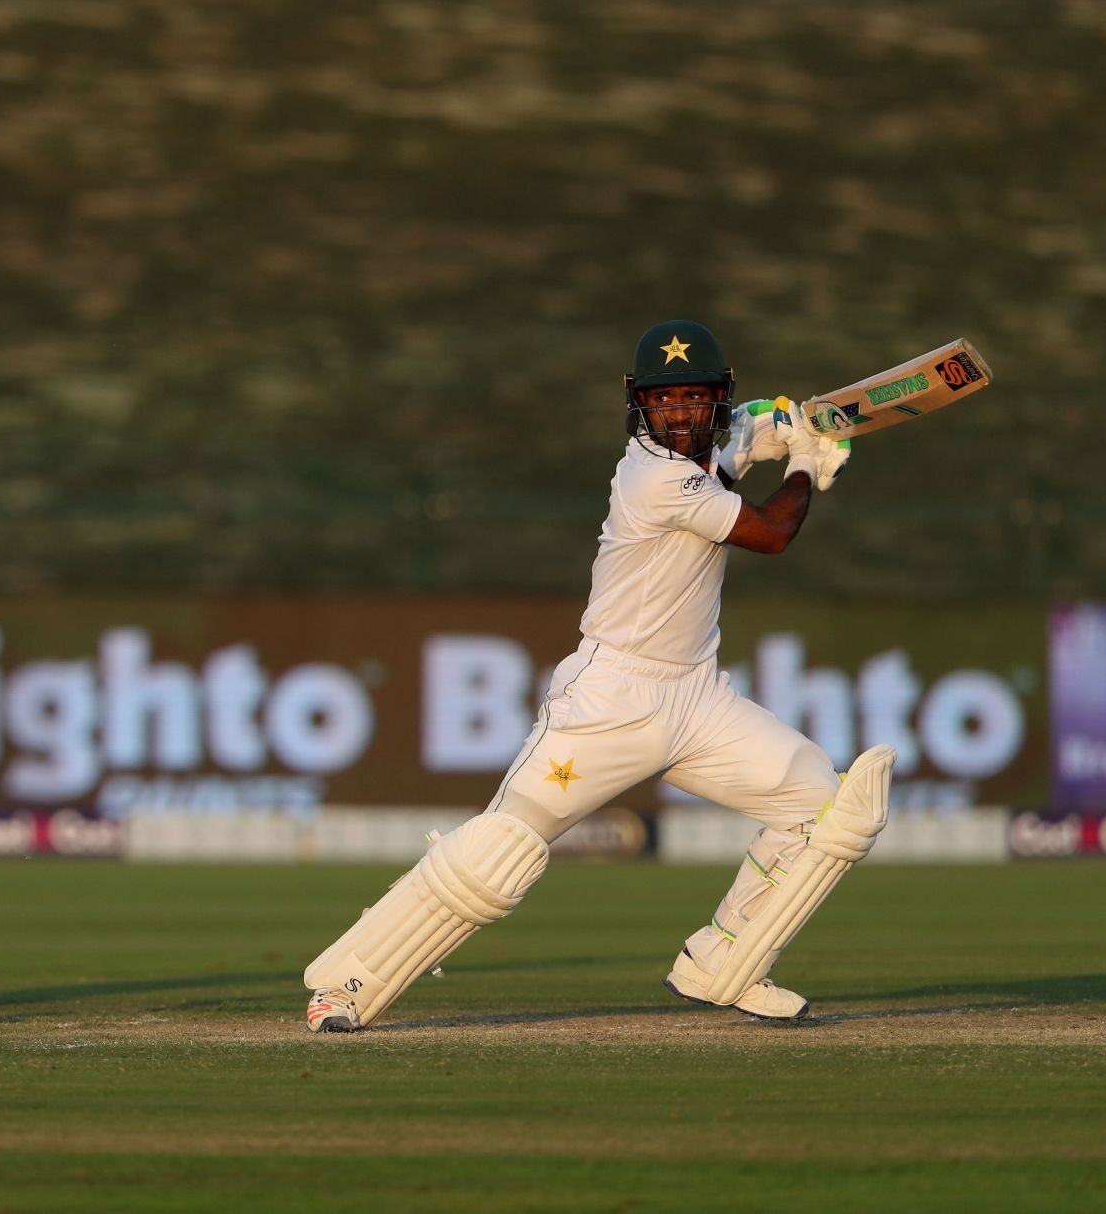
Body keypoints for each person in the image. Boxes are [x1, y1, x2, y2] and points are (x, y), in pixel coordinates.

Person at [304, 320, 893, 1032]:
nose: (678, 412)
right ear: (639, 405)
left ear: (716, 398)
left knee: (822, 805)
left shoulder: (703, 451)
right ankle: (343, 982)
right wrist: (803, 460)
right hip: (607, 701)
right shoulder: (654, 475)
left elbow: (737, 441)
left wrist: (776, 424)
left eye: (694, 398)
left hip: (698, 698)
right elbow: (771, 532)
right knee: (498, 851)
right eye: (663, 398)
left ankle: (723, 962)